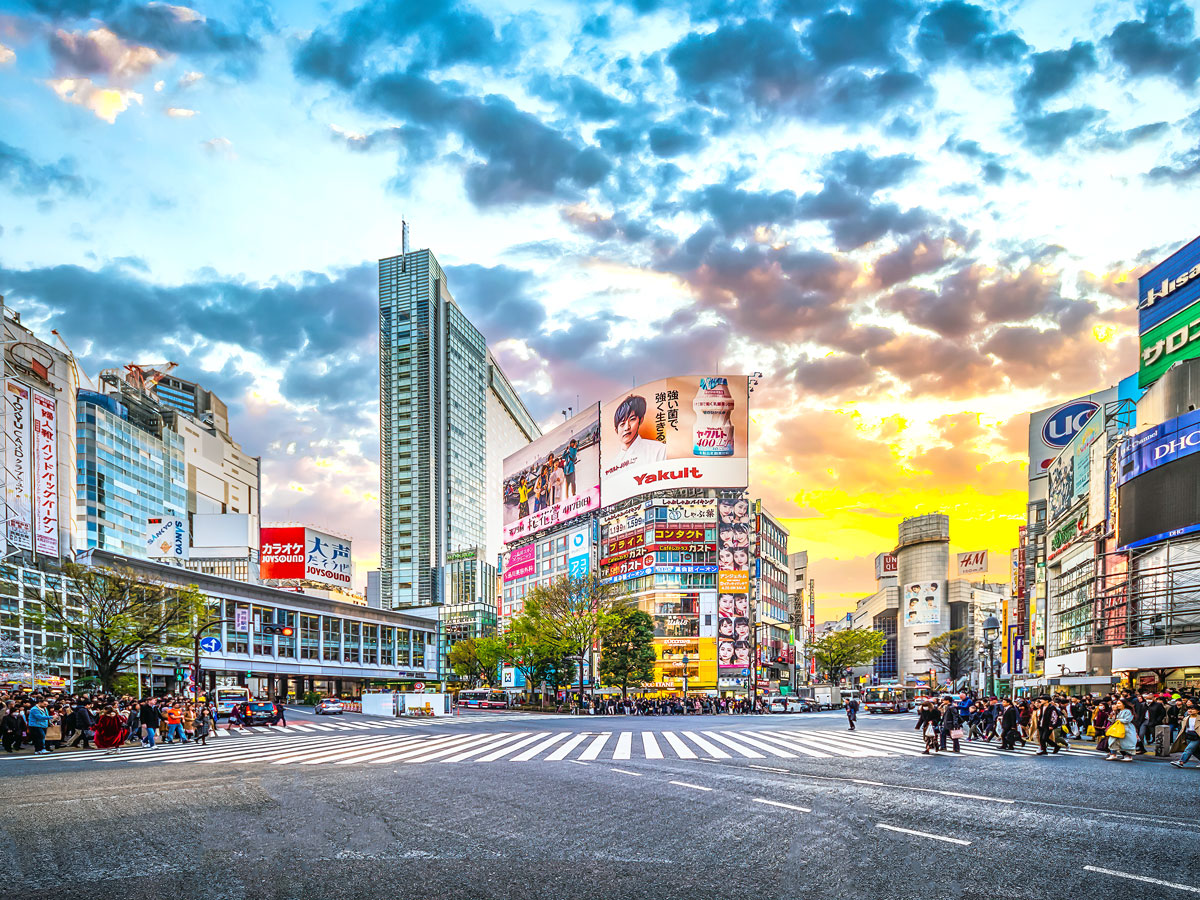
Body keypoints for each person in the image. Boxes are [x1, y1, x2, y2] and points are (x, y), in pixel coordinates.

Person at [609, 395, 667, 470]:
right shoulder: (611, 467)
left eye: (632, 419)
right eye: (622, 424)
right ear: (616, 430)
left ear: (641, 420)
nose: (627, 427)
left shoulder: (659, 450)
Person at [1171, 703, 1199, 768]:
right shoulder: (1186, 718)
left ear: (1198, 711)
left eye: (1193, 709)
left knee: (1188, 749)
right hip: (1188, 736)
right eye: (1189, 709)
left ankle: (1181, 762)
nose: (1190, 710)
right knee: (1195, 751)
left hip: (1197, 737)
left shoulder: (1199, 718)